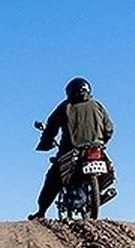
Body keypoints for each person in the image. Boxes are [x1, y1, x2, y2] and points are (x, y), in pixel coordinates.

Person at [28, 77, 114, 220]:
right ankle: (98, 195)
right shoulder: (98, 105)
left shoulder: (65, 107)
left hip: (70, 150)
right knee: (108, 170)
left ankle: (41, 211)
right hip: (96, 148)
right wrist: (100, 141)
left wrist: (45, 143)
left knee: (52, 178)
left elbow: (51, 128)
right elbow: (109, 129)